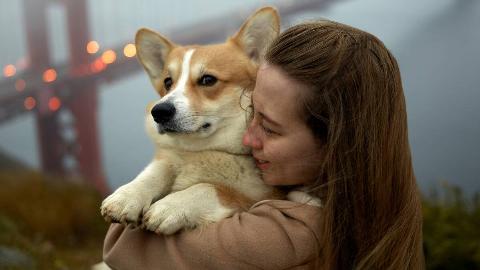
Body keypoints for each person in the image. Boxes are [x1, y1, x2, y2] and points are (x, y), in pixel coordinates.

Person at [103, 20, 424, 269]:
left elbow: (120, 246)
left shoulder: (290, 233)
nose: (247, 139)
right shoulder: (372, 207)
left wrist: (174, 185)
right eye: (249, 111)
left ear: (334, 143)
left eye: (269, 128)